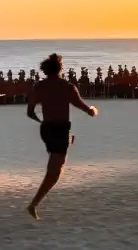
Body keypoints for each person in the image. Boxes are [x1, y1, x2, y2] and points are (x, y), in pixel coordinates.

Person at [25, 53, 98, 219]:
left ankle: (67, 140)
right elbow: (83, 107)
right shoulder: (67, 87)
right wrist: (92, 111)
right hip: (60, 129)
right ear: (60, 69)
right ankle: (33, 204)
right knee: (54, 172)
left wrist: (41, 120)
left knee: (57, 158)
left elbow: (29, 112)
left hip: (46, 130)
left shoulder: (38, 87)